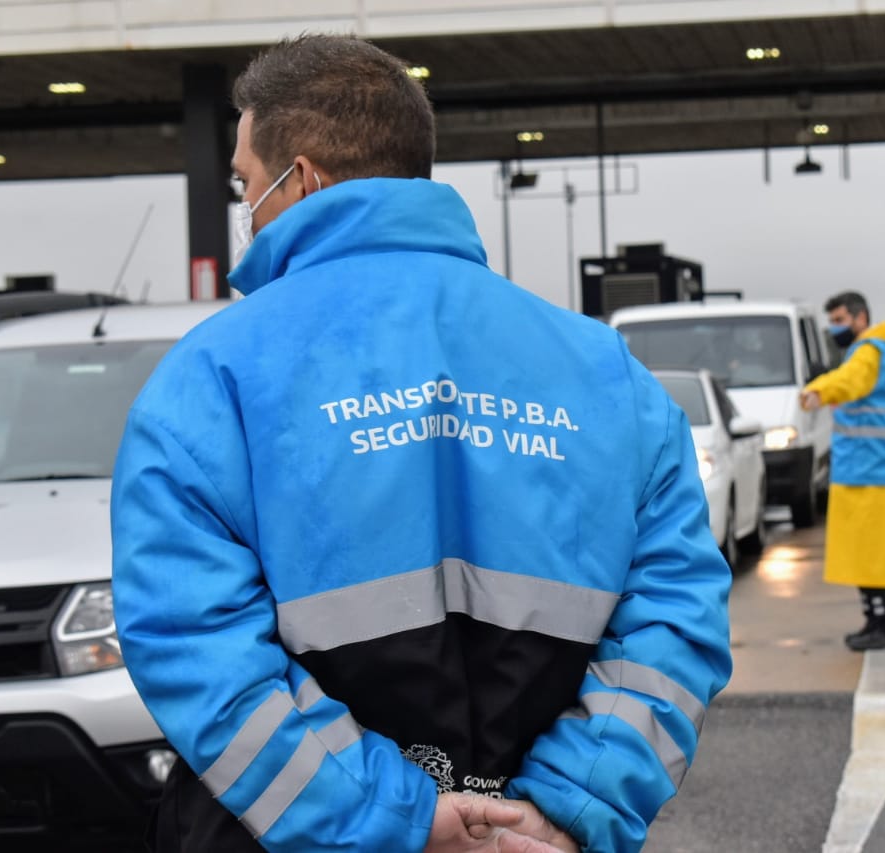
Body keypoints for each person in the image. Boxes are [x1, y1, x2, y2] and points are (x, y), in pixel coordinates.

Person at [110, 34, 731, 853]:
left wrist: (395, 819)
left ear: (301, 179)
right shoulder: (605, 371)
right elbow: (676, 622)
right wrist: (562, 808)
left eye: (245, 183)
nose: (246, 207)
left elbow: (194, 646)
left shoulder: (210, 378)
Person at [799, 291, 885, 651]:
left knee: (872, 557)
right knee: (874, 555)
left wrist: (817, 391)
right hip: (881, 468)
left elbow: (848, 380)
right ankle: (878, 622)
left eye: (839, 320)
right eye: (832, 321)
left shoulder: (868, 353)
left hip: (864, 469)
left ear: (860, 317)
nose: (835, 329)